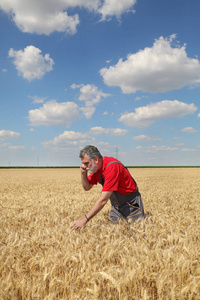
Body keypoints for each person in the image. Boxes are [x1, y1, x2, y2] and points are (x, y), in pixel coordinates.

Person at [70, 145, 145, 231]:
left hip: (131, 204)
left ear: (96, 160)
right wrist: (83, 174)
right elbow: (87, 187)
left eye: (86, 163)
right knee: (115, 234)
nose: (84, 166)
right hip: (116, 206)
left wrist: (85, 219)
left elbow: (103, 200)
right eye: (83, 164)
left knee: (137, 232)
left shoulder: (111, 167)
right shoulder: (97, 169)